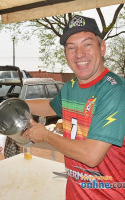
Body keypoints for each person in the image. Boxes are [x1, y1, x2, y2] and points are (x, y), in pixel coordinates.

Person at [23, 15, 125, 199]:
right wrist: (19, 104)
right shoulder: (71, 86)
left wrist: (46, 136)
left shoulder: (115, 89)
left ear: (102, 48)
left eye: (87, 44)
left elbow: (91, 155)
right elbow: (51, 106)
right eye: (71, 47)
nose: (79, 54)